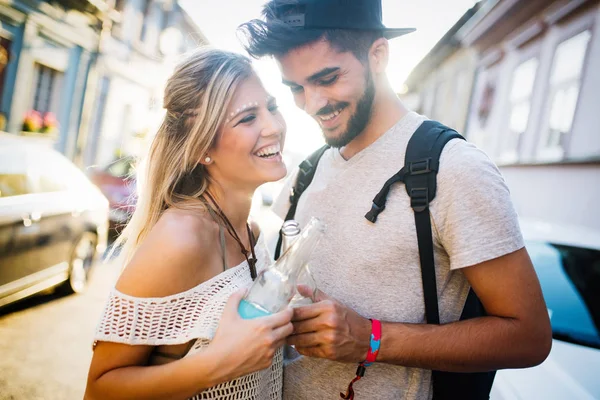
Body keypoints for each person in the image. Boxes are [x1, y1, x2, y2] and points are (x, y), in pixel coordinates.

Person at [239, 1, 553, 399]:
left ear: (378, 55)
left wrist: (372, 339)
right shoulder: (306, 171)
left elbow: (530, 337)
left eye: (329, 78)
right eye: (297, 88)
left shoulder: (453, 168)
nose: (313, 103)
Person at [85, 47, 293, 400]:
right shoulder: (182, 236)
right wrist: (222, 361)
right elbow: (99, 389)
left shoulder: (251, 231)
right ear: (201, 149)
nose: (273, 126)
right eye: (247, 118)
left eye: (271, 107)